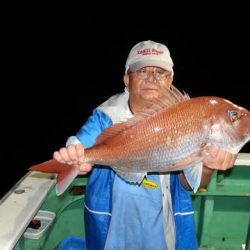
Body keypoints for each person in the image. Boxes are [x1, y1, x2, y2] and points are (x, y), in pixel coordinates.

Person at [53, 40, 237, 250]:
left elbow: (190, 183)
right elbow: (80, 143)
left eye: (160, 72)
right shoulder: (106, 115)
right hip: (112, 226)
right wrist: (74, 154)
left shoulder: (188, 117)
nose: (152, 78)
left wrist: (208, 166)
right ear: (126, 79)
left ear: (170, 80)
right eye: (142, 71)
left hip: (161, 227)